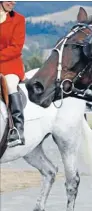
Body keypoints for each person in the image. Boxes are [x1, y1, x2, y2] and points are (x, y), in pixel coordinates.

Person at [0, 1, 26, 147]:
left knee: (10, 85)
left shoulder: (18, 20)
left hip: (10, 65)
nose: (13, 2)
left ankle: (17, 129)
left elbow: (16, 48)